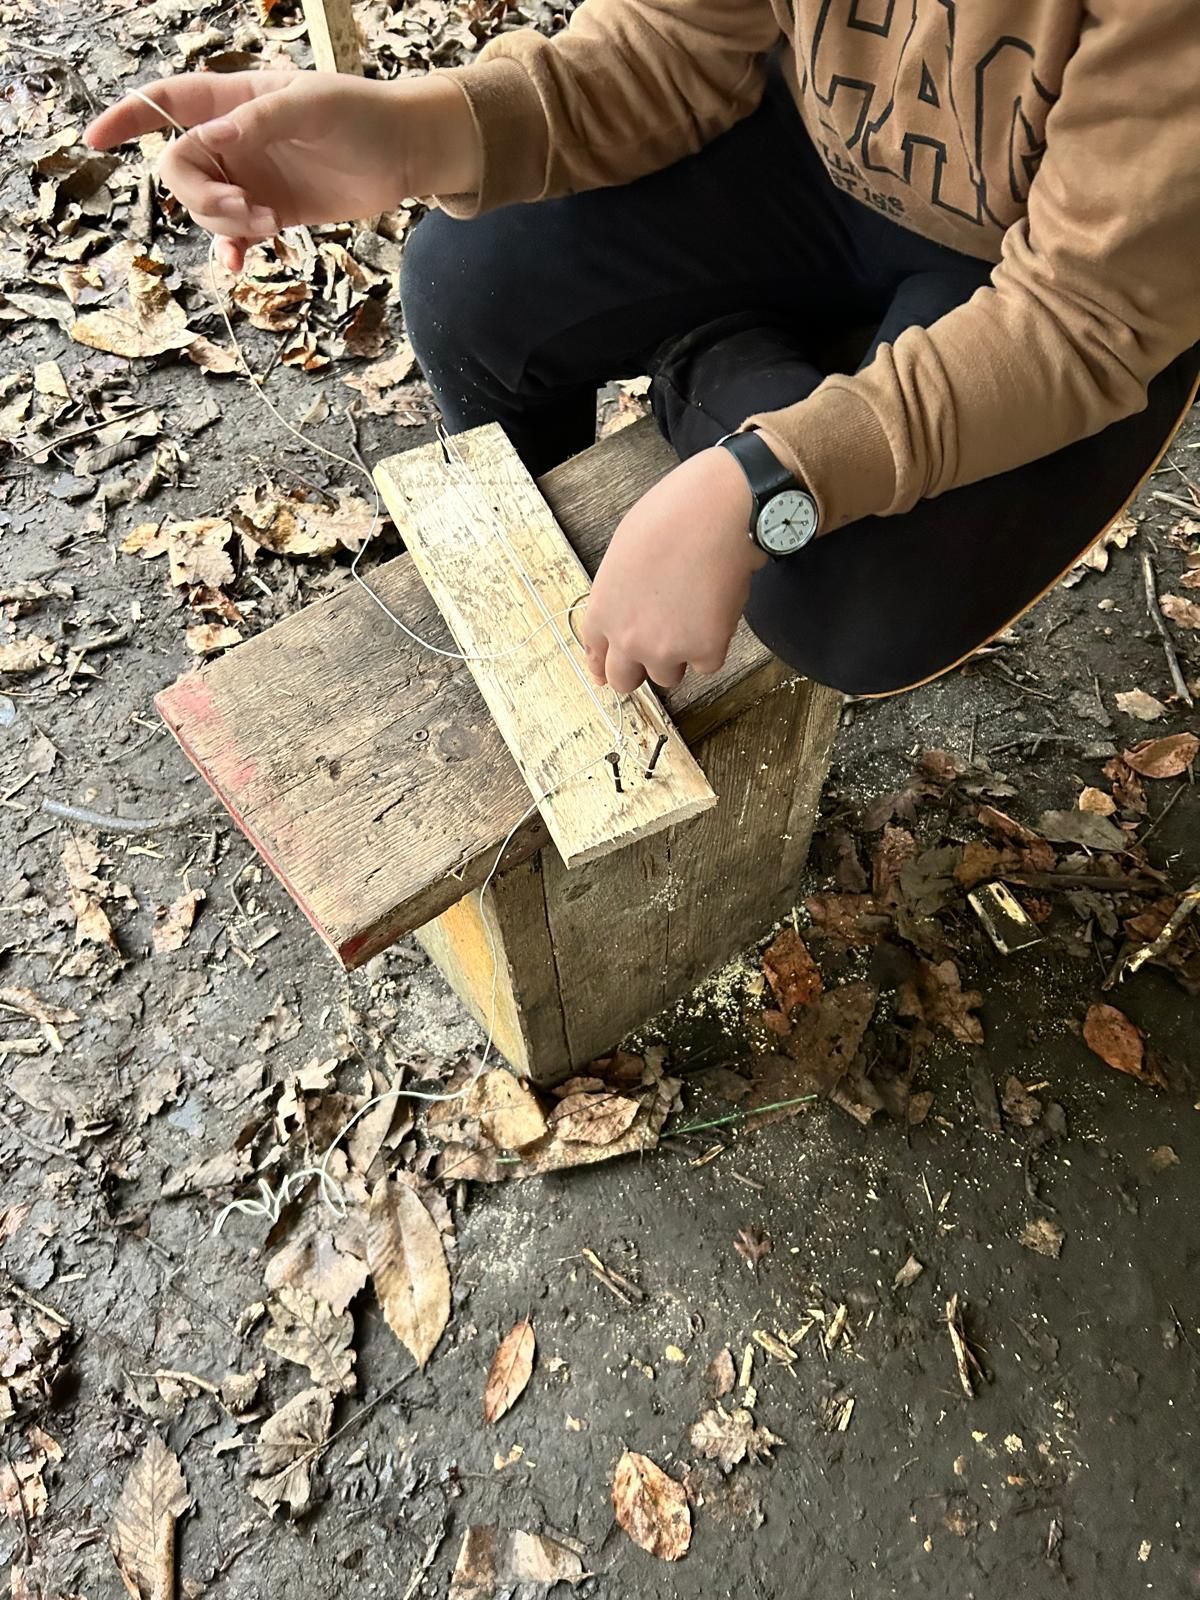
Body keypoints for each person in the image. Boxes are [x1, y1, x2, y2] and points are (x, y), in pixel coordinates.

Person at [86, 1, 1200, 698]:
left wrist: (766, 479)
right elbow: (671, 42)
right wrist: (420, 129)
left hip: (1060, 272)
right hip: (818, 149)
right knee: (463, 288)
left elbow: (1082, 317)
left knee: (843, 605)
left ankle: (711, 377)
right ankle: (686, 440)